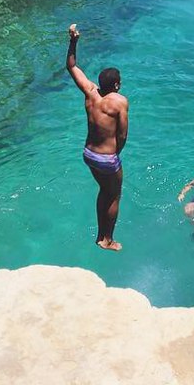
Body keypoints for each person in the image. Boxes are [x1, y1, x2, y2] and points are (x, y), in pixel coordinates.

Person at [66, 23, 129, 252]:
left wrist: (73, 41)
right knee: (114, 195)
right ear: (117, 85)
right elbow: (122, 134)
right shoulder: (119, 101)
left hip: (89, 154)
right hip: (107, 158)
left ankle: (100, 235)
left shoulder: (90, 92)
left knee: (104, 190)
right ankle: (107, 239)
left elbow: (71, 66)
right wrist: (115, 154)